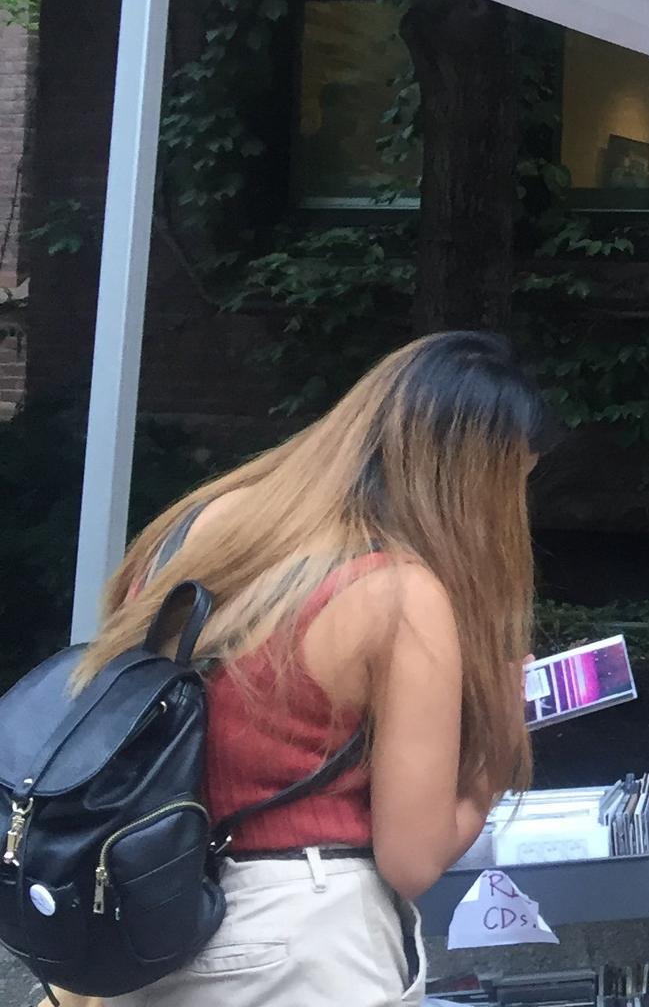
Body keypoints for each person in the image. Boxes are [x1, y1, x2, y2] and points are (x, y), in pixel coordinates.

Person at [79, 331, 548, 1007]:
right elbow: (413, 859)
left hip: (150, 916)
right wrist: (495, 748)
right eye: (512, 486)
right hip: (302, 939)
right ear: (466, 480)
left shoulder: (201, 524)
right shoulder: (397, 596)